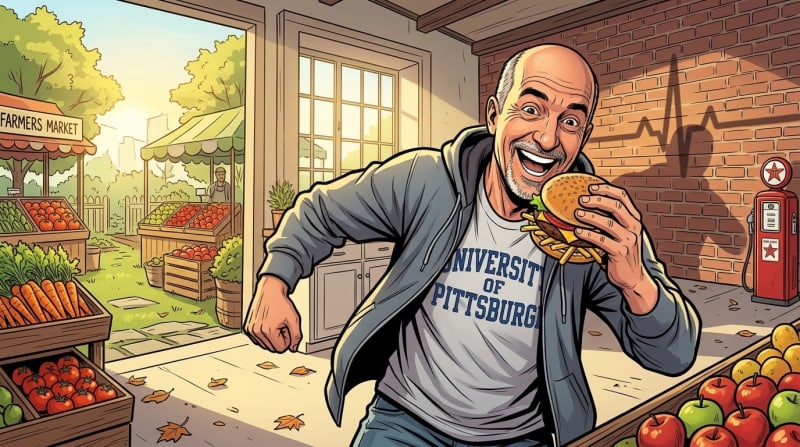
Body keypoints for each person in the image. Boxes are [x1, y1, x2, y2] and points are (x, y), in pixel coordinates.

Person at [244, 43, 701, 446]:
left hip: (520, 436)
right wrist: (274, 280)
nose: (547, 138)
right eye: (531, 109)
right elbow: (322, 210)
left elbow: (674, 356)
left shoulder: (592, 225)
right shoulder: (426, 181)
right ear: (494, 115)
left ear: (583, 136)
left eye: (570, 121)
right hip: (405, 421)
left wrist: (637, 282)